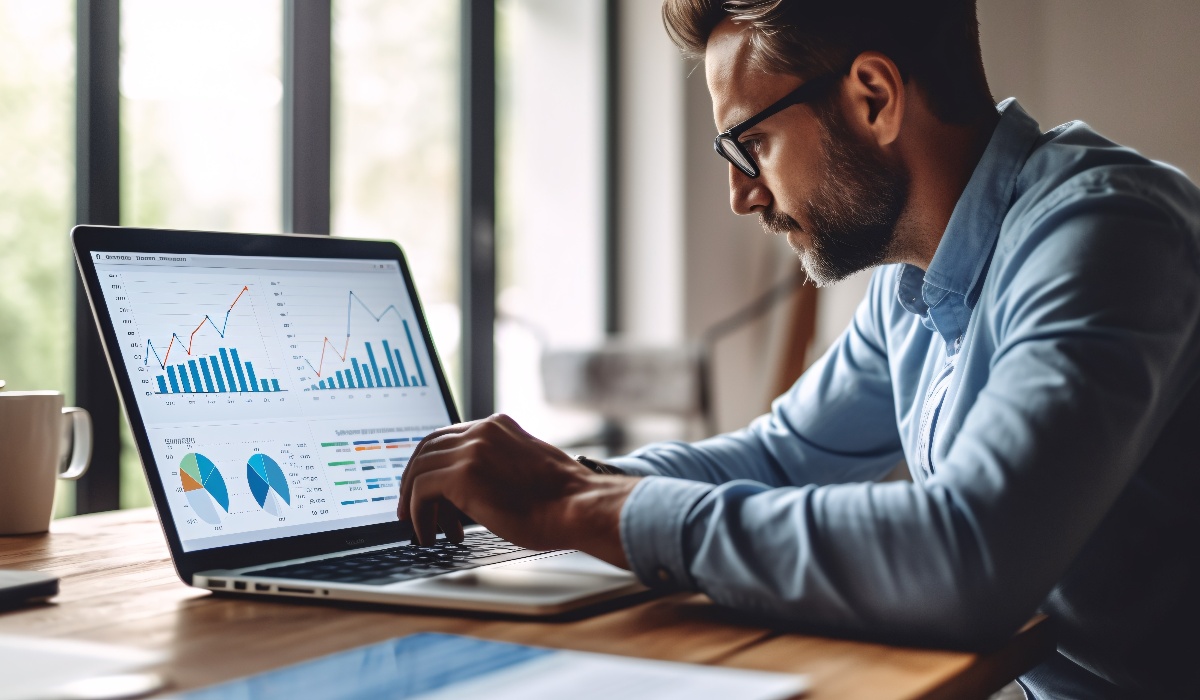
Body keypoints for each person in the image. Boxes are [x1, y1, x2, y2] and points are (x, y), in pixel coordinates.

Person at [397, 1, 1200, 696]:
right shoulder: (914, 283)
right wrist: (557, 482)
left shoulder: (1108, 233)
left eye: (750, 143)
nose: (743, 193)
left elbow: (968, 557)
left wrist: (576, 506)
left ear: (874, 97)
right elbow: (782, 457)